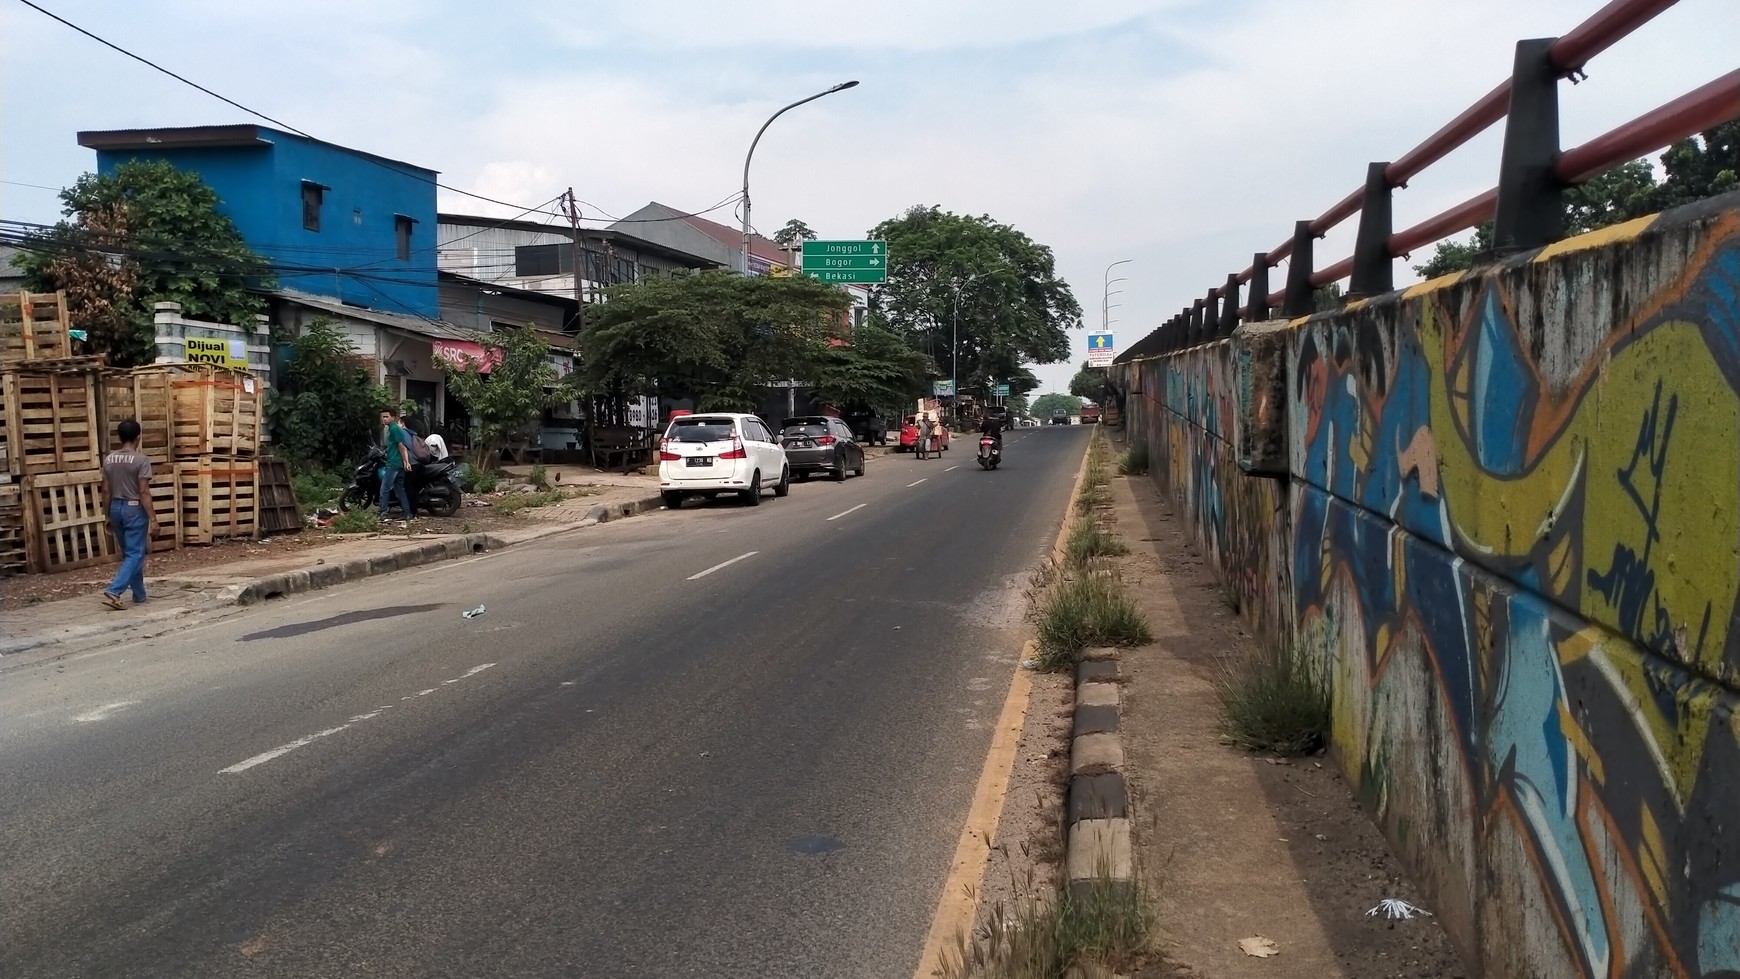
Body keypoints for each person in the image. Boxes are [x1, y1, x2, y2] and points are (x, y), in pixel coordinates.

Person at [100, 418, 155, 610]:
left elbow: (105, 490)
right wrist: (153, 518)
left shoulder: (109, 460)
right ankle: (115, 590)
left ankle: (139, 595)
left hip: (115, 506)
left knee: (130, 553)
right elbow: (143, 491)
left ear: (119, 437)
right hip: (134, 509)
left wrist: (107, 514)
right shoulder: (141, 460)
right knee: (136, 553)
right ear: (138, 438)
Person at [378, 407, 415, 523]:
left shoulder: (394, 429)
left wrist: (406, 461)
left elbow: (401, 446)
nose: (384, 419)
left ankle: (383, 512)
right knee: (399, 489)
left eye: (386, 417)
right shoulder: (392, 429)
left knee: (385, 488)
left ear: (393, 417)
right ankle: (407, 513)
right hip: (397, 464)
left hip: (394, 463)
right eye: (383, 417)